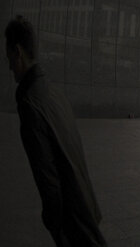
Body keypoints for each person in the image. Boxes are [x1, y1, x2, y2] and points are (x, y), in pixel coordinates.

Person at [5, 16, 107, 246]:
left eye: (9, 56)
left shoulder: (30, 103)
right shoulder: (54, 93)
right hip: (86, 203)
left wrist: (53, 221)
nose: (9, 64)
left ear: (18, 52)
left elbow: (47, 175)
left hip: (70, 218)